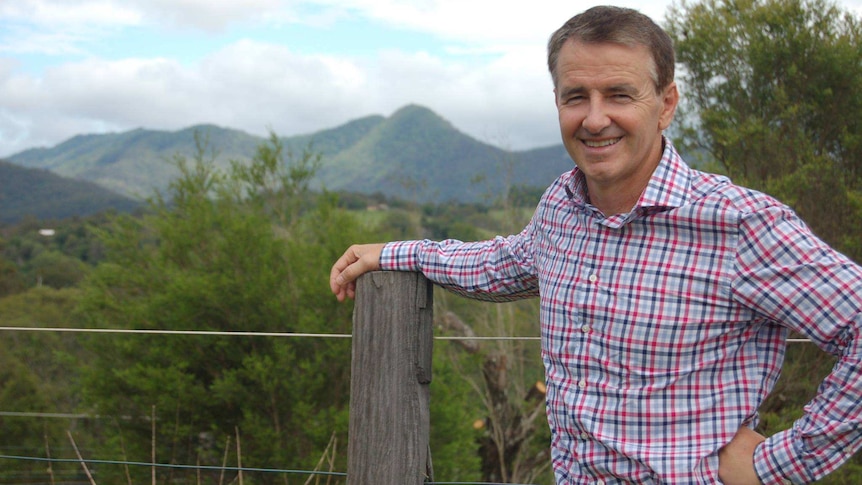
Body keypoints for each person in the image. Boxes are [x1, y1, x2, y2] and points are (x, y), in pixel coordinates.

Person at [330, 6, 862, 484]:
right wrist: (395, 253)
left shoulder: (740, 225)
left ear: (666, 103)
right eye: (576, 96)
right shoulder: (562, 208)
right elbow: (504, 263)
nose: (595, 118)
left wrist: (779, 463)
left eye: (620, 94)